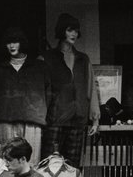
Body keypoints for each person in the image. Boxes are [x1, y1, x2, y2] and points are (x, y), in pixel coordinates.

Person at [42, 13, 100, 168]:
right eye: (70, 30)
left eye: (76, 30)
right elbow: (40, 91)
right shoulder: (47, 58)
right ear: (62, 31)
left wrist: (95, 118)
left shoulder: (83, 59)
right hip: (55, 119)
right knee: (49, 166)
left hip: (77, 119)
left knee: (73, 168)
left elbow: (91, 88)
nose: (74, 34)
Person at [0, 26, 51, 163]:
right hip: (6, 121)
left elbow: (48, 94)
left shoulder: (39, 68)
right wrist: (2, 112)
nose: (11, 46)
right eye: (9, 42)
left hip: (32, 121)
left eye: (15, 42)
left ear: (22, 43)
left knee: (31, 163)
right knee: (8, 163)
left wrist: (39, 112)